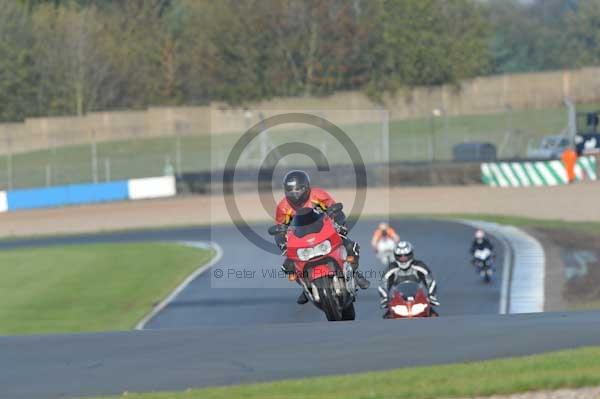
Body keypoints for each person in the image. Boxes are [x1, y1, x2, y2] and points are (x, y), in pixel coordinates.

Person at [274, 170, 370, 305]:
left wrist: (341, 225)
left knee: (350, 246)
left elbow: (336, 210)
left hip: (324, 231)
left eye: (299, 189)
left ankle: (354, 272)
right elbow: (279, 229)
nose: (295, 193)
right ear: (285, 190)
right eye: (290, 190)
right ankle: (305, 285)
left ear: (306, 186)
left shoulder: (318, 195)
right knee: (288, 265)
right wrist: (283, 245)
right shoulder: (283, 207)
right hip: (301, 239)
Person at [381, 241, 439, 310]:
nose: (403, 258)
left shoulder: (420, 266)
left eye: (406, 255)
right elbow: (382, 285)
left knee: (433, 314)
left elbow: (431, 282)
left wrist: (431, 296)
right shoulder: (391, 269)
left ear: (410, 255)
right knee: (387, 316)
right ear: (395, 256)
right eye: (400, 256)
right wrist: (385, 298)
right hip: (398, 300)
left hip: (418, 299)